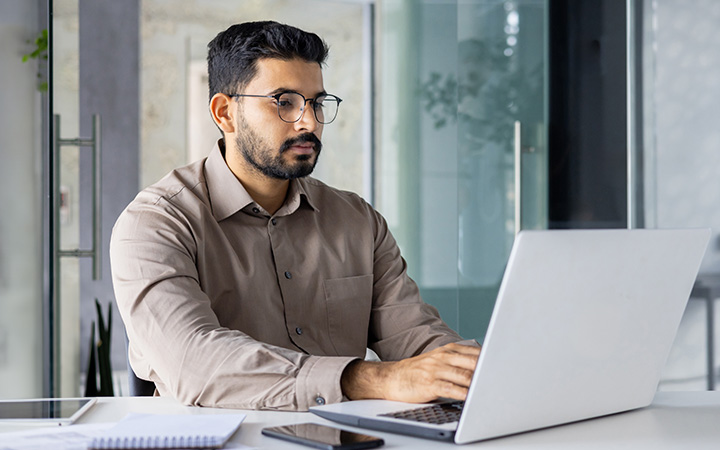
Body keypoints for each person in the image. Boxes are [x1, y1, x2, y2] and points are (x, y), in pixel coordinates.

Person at [110, 21, 480, 411]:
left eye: (317, 103)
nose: (310, 122)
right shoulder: (155, 224)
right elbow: (194, 362)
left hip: (348, 437)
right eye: (284, 102)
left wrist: (474, 371)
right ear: (225, 113)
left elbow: (414, 334)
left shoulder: (357, 220)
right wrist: (368, 377)